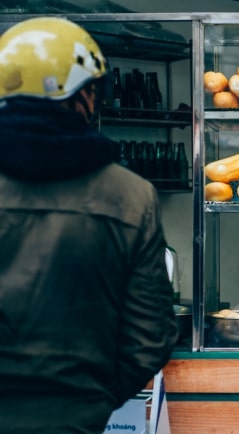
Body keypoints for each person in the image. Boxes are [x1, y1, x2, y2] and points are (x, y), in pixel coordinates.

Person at [0, 17, 178, 433]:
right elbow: (150, 337)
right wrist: (89, 401)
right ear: (82, 94)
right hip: (73, 418)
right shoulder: (129, 195)